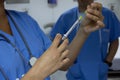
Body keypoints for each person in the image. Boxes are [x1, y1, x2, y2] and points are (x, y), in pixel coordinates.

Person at [0, 0, 104, 80]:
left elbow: (62, 61)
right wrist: (38, 73)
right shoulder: (65, 17)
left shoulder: (25, 20)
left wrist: (83, 32)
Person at [50, 0, 120, 80]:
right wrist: (68, 61)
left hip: (100, 71)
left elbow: (114, 40)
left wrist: (108, 61)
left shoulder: (108, 15)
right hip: (76, 72)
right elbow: (56, 44)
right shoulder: (65, 18)